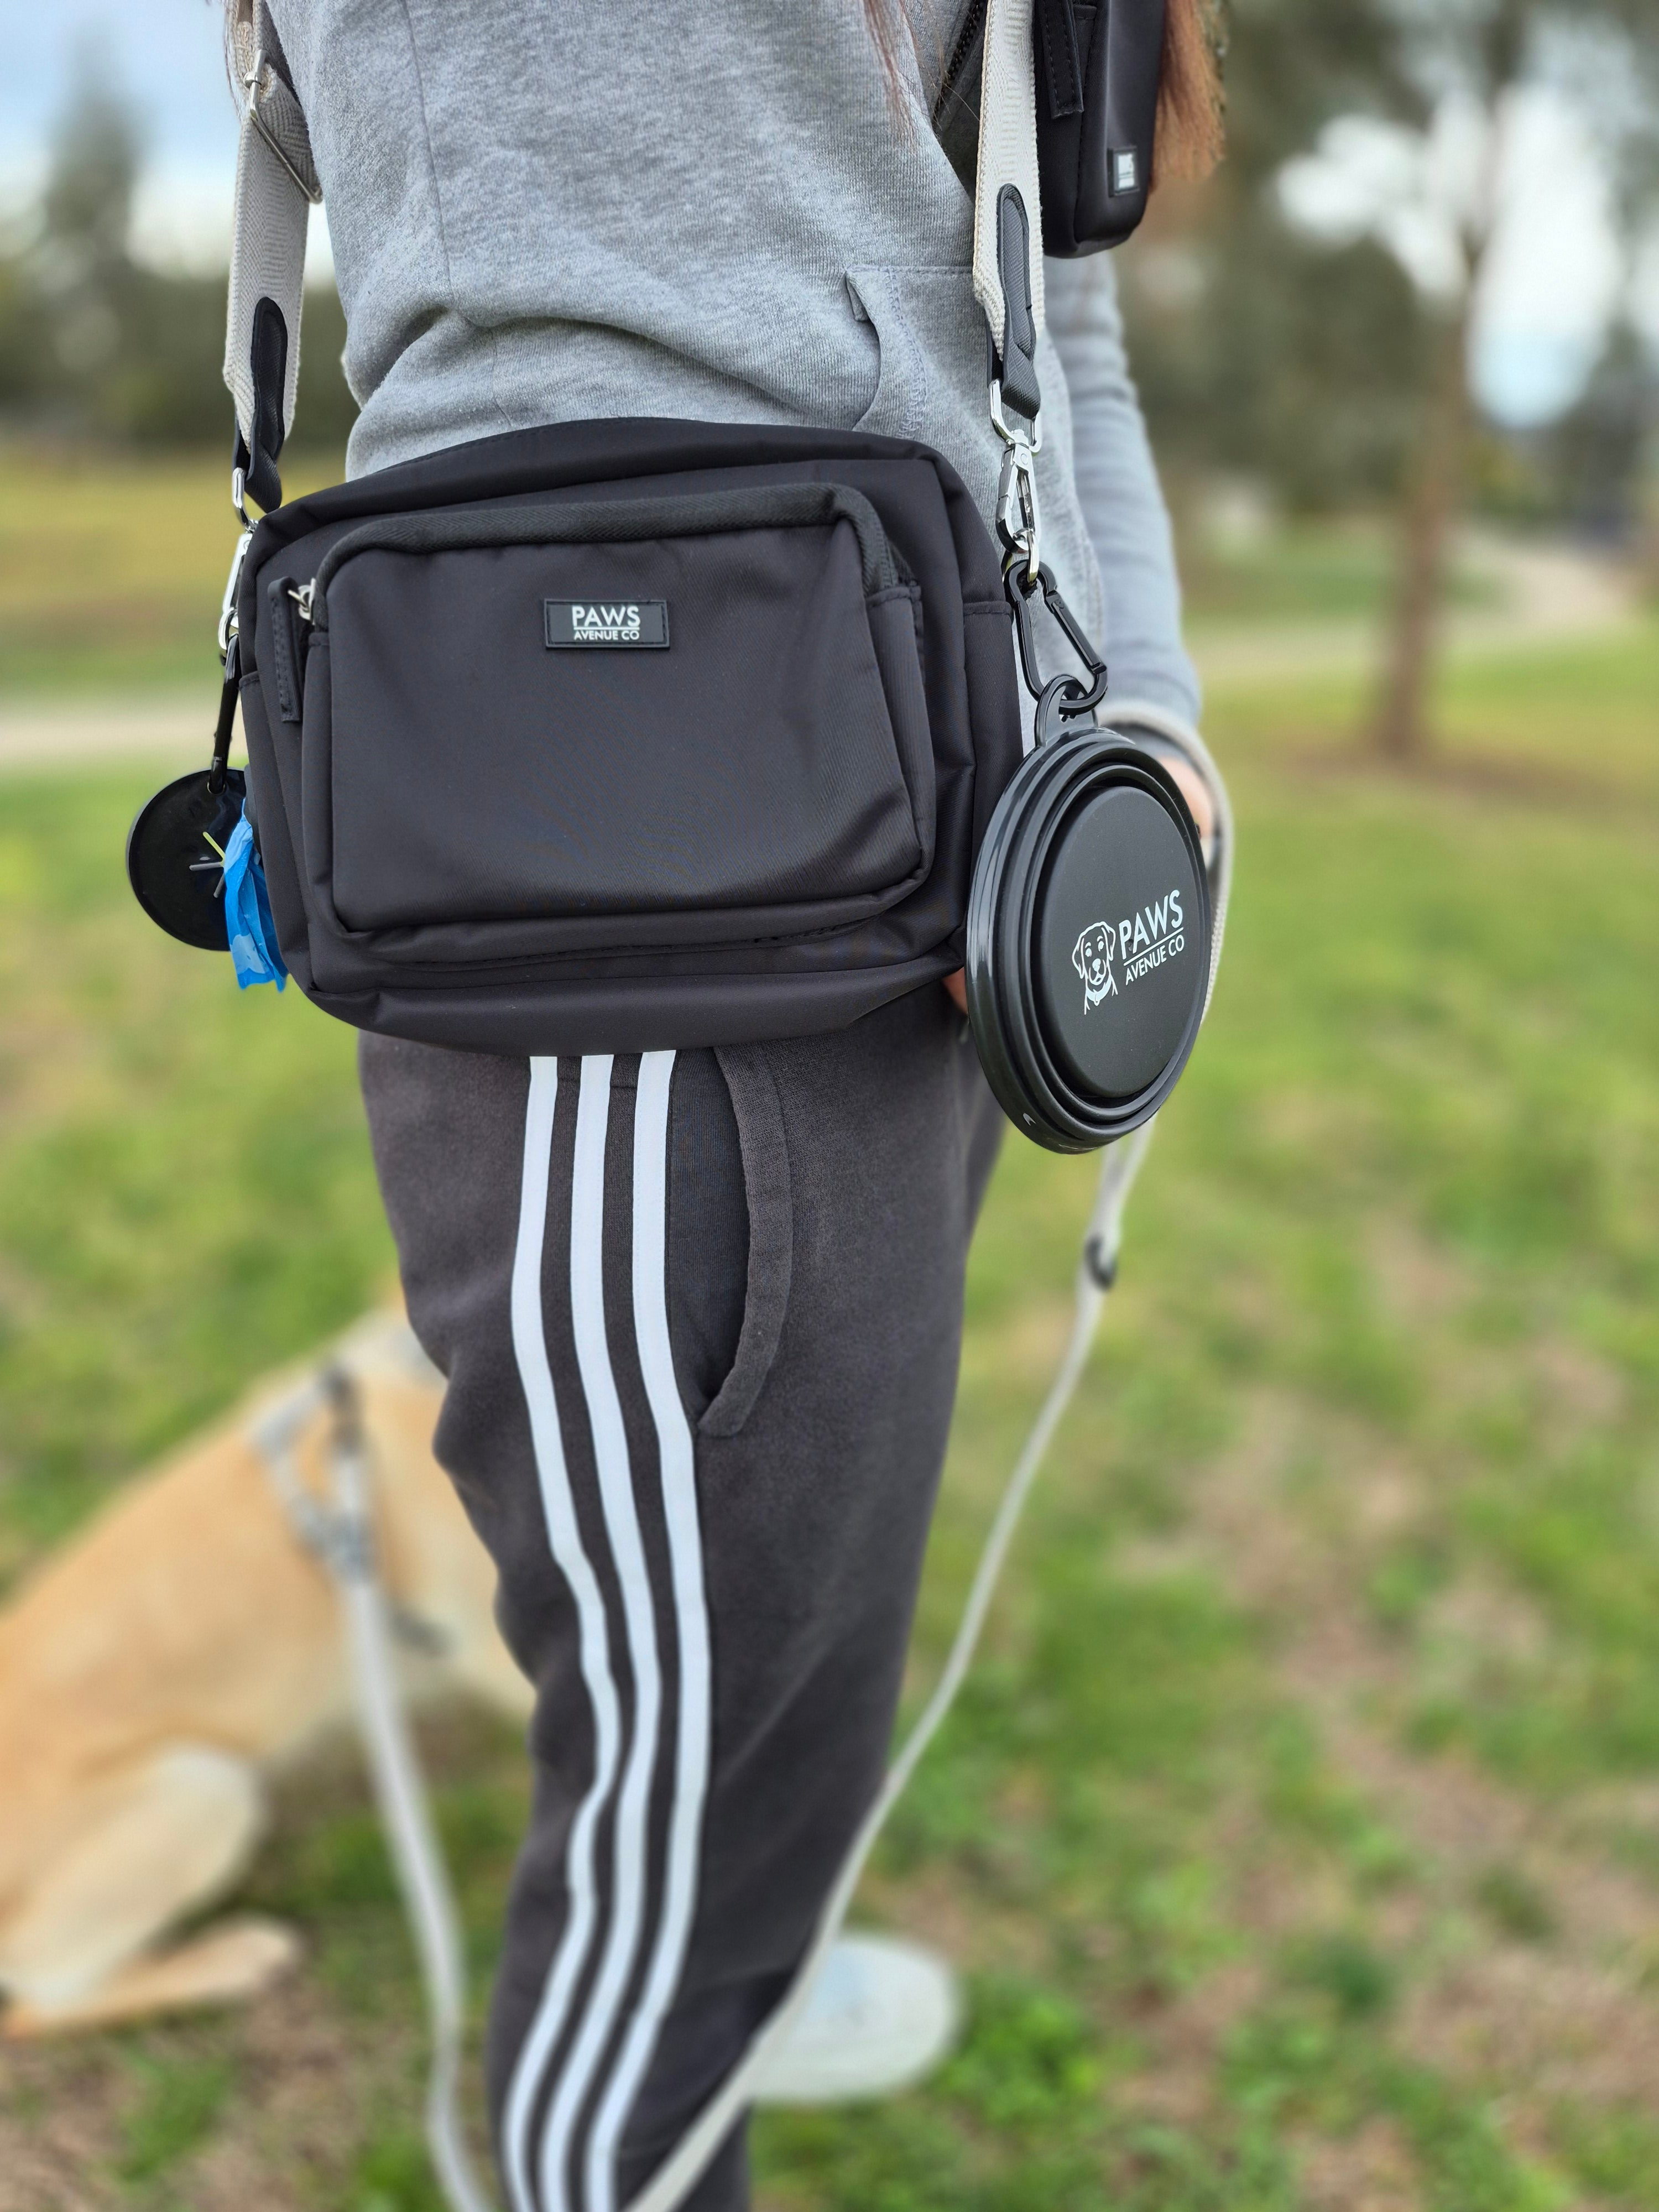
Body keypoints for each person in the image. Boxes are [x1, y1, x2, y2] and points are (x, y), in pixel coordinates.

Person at [244, 4, 1218, 2208]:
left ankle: (752, 1960)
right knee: (665, 1847)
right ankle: (681, 2051)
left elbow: (1048, 289)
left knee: (781, 1704)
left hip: (948, 856)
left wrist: (1144, 713)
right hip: (620, 890)